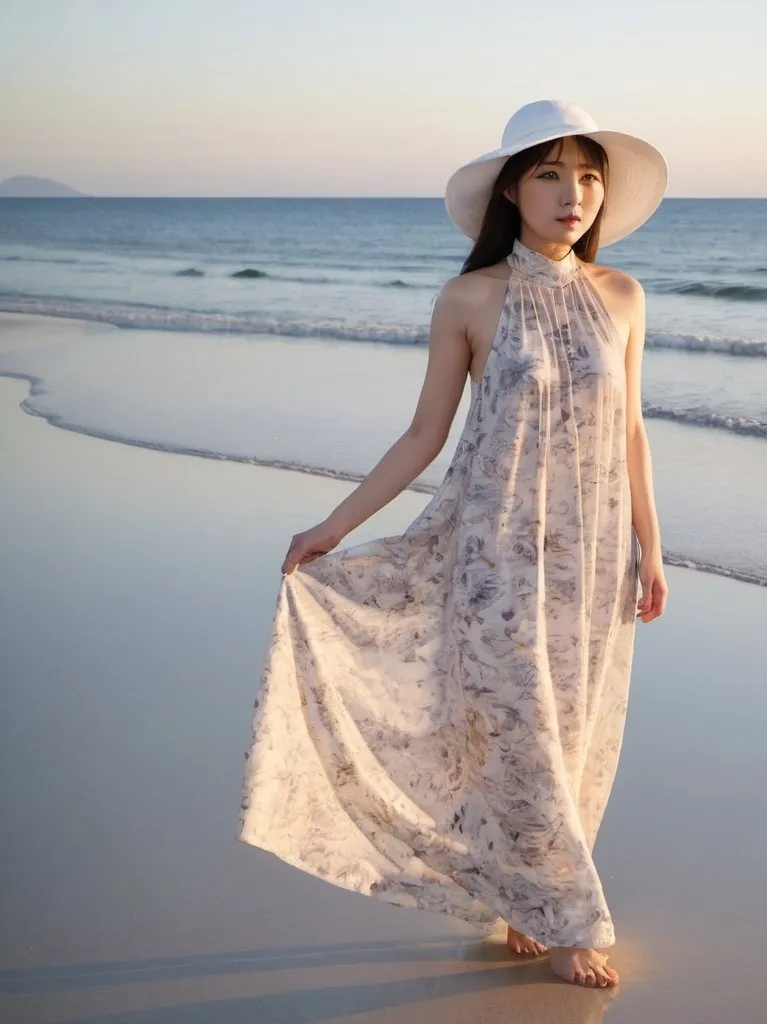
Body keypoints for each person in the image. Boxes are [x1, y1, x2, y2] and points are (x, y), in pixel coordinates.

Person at [238, 99, 670, 988]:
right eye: (551, 173)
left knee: (577, 732)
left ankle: (525, 895)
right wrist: (332, 528)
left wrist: (652, 548)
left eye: (588, 176)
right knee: (522, 731)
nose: (573, 193)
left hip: (590, 559)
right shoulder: (472, 297)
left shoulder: (623, 297)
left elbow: (631, 433)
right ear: (511, 188)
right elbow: (423, 436)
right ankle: (571, 922)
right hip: (493, 554)